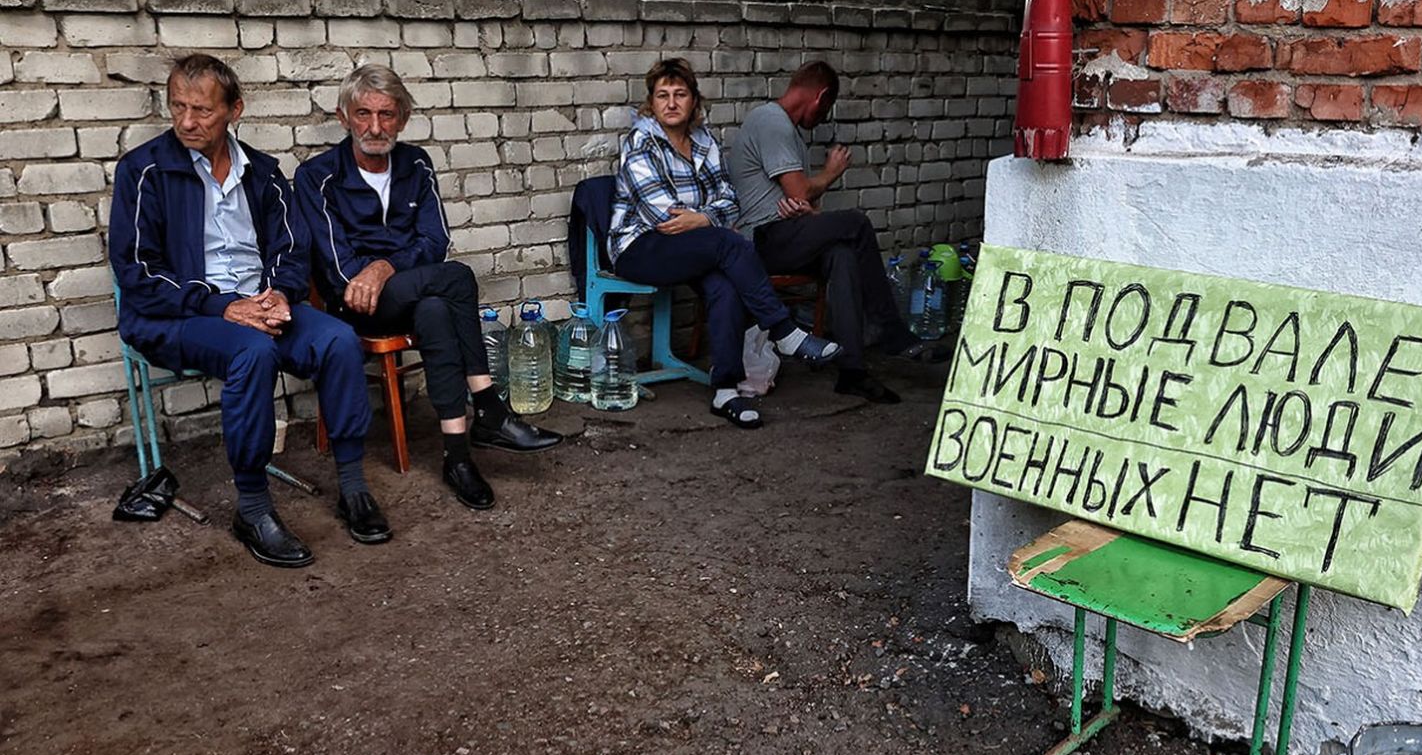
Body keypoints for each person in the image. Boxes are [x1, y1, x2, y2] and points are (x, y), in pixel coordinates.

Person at [108, 54, 387, 568]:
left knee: (339, 341)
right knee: (254, 352)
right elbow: (137, 273)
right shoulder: (143, 171)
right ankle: (253, 508)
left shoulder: (261, 172)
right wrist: (223, 306)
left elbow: (291, 247)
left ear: (234, 110)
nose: (187, 122)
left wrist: (280, 293)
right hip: (177, 315)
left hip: (257, 305)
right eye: (177, 107)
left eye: (202, 110)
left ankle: (353, 487)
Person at [295, 65, 561, 511]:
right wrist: (380, 271)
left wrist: (384, 267)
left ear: (403, 117)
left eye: (387, 114)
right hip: (355, 306)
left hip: (411, 292)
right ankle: (490, 409)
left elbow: (434, 241)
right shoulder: (317, 176)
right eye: (363, 114)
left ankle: (457, 458)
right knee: (457, 278)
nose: (375, 127)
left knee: (438, 308)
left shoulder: (416, 163)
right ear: (344, 118)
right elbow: (341, 273)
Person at [607, 58, 843, 430]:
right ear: (650, 103)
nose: (671, 103)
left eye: (680, 94)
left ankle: (725, 390)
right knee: (728, 245)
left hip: (696, 243)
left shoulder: (704, 141)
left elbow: (730, 199)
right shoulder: (640, 143)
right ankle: (784, 332)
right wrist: (710, 220)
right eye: (662, 95)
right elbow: (663, 218)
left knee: (725, 284)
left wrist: (703, 218)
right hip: (640, 247)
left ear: (693, 101)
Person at [727, 60, 947, 406]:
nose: (823, 118)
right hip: (761, 240)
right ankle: (891, 332)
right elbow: (800, 191)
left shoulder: (788, 131)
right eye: (826, 109)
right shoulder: (770, 122)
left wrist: (805, 208)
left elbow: (800, 202)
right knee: (855, 223)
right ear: (821, 96)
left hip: (787, 233)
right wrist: (830, 173)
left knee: (842, 254)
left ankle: (852, 371)